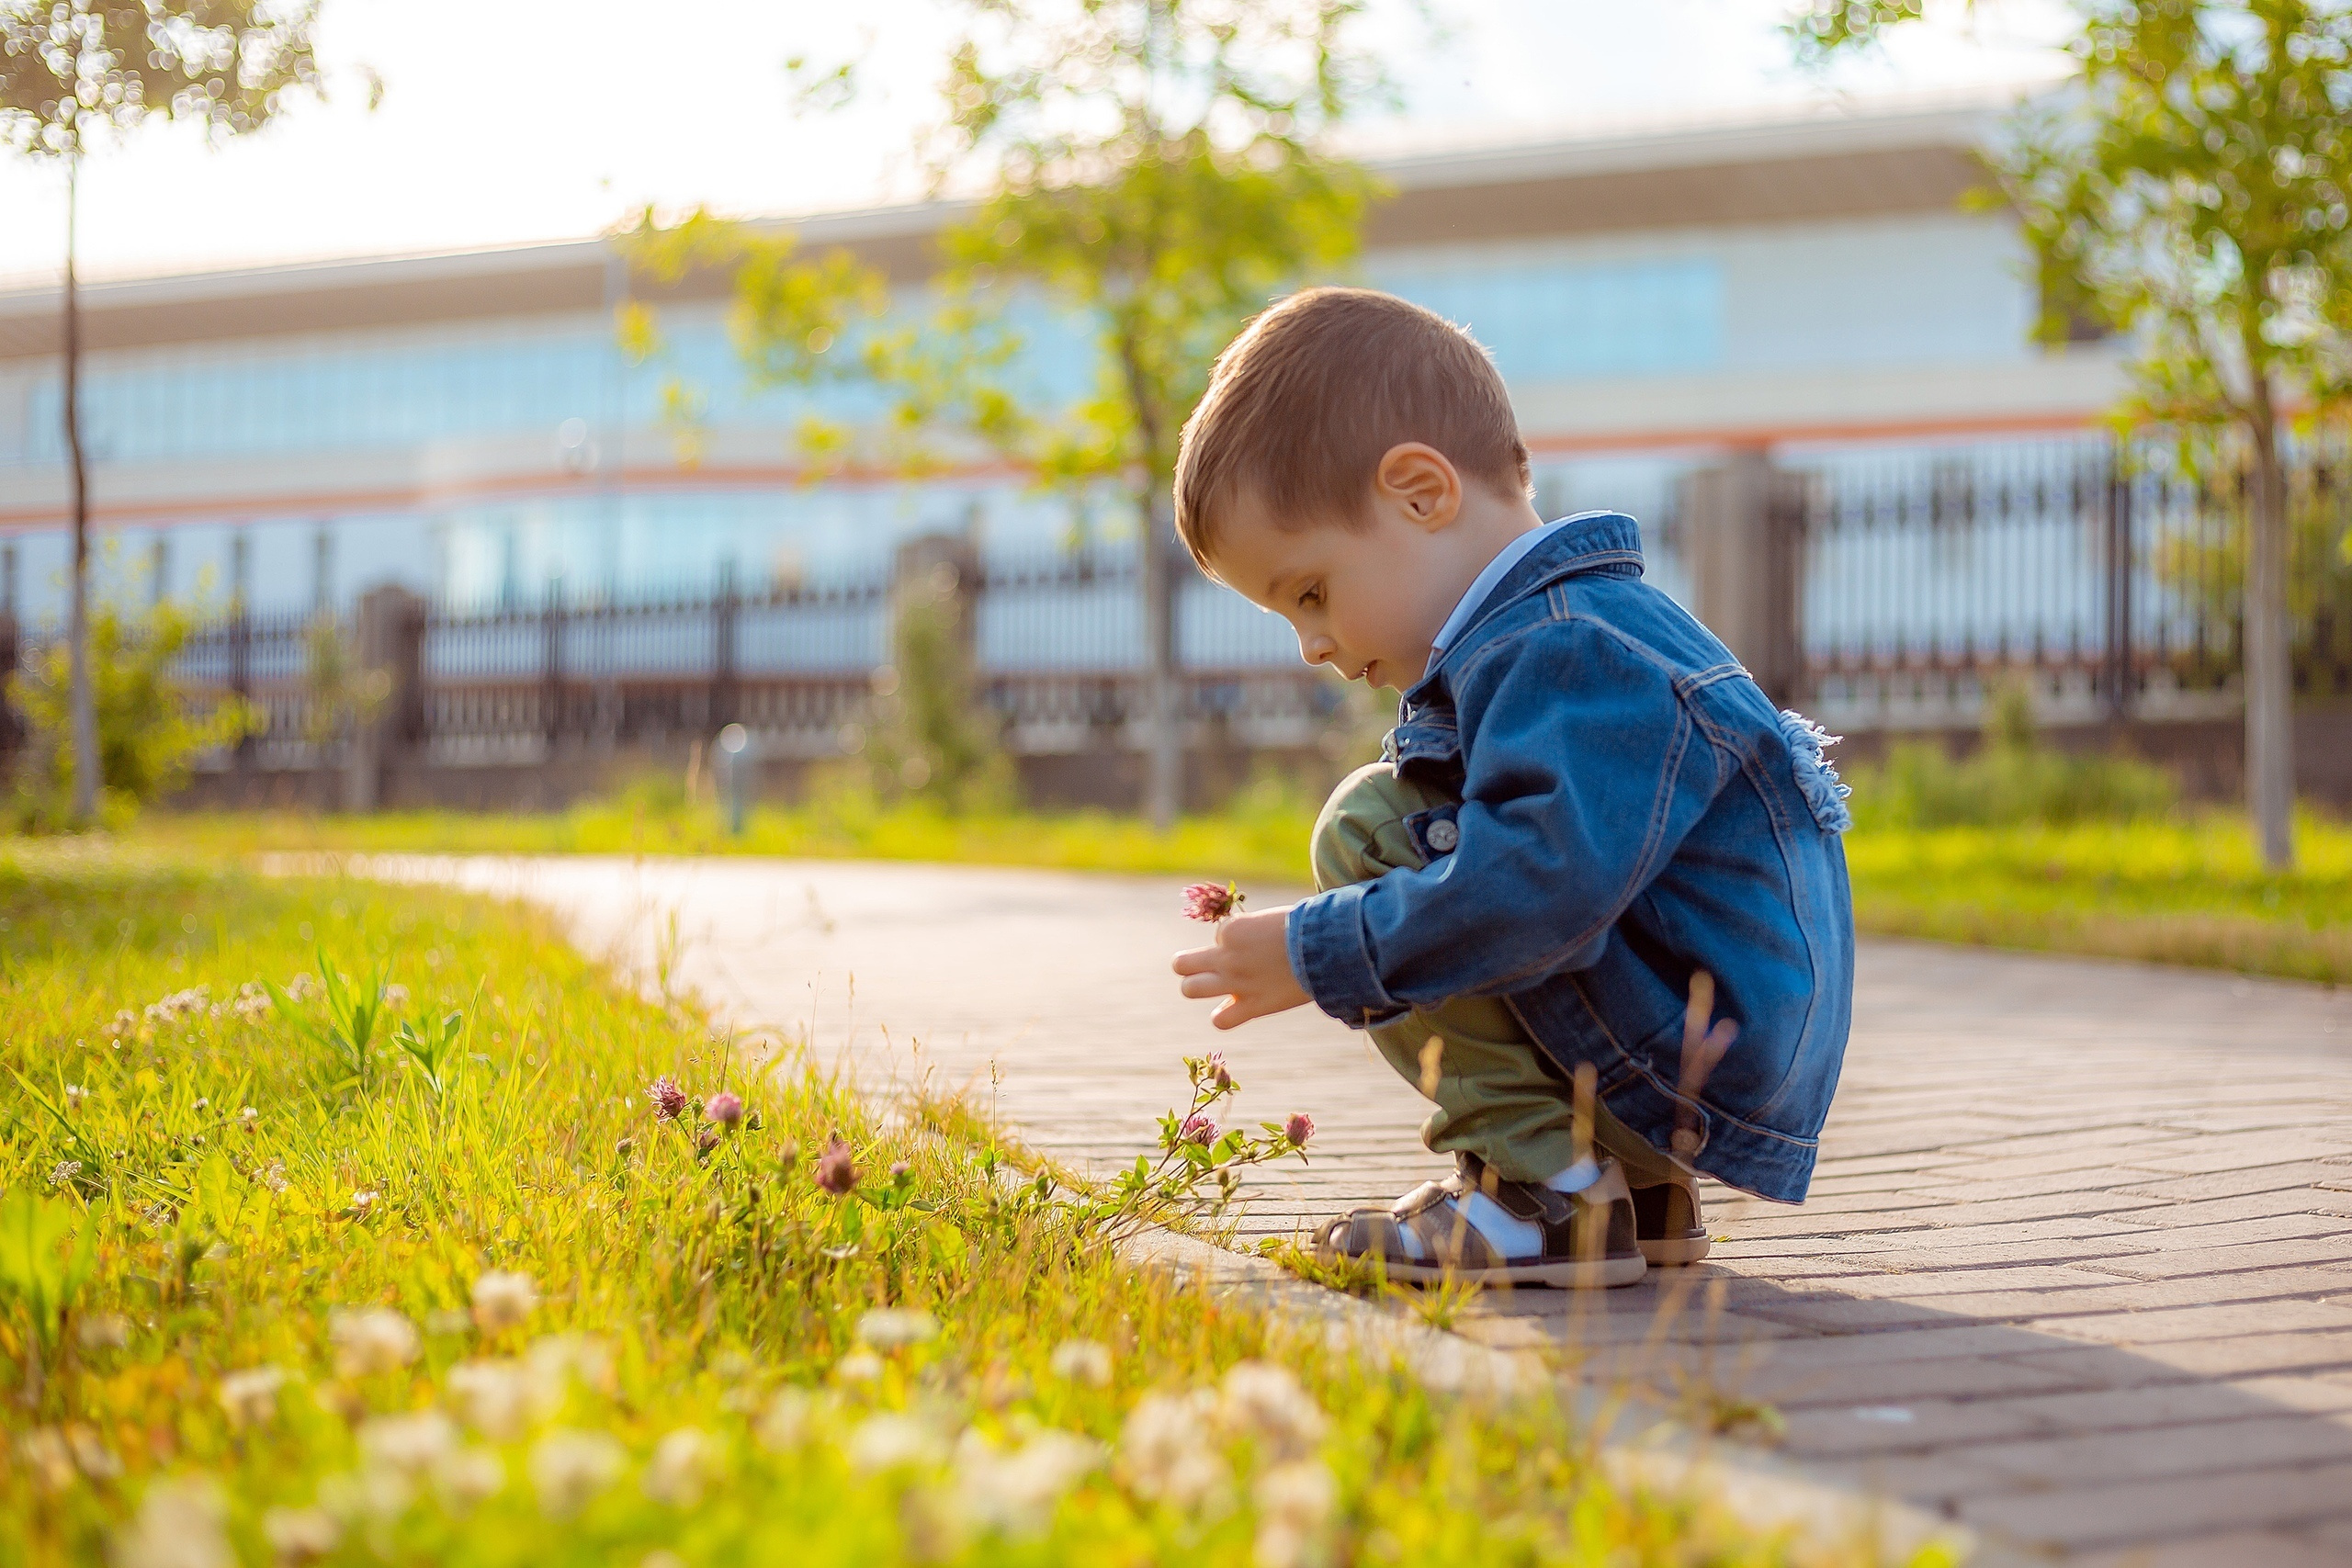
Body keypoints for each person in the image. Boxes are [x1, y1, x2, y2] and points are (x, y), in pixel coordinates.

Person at [1169, 287, 1856, 1288]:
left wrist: (1322, 952)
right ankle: (1634, 1183)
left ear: (1419, 491)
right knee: (1430, 828)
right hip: (1699, 1039)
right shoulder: (1584, 627)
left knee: (1370, 829)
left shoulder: (1564, 648)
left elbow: (1538, 894)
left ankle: (1542, 1193)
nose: (1313, 644)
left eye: (1310, 592)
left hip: (1698, 1060)